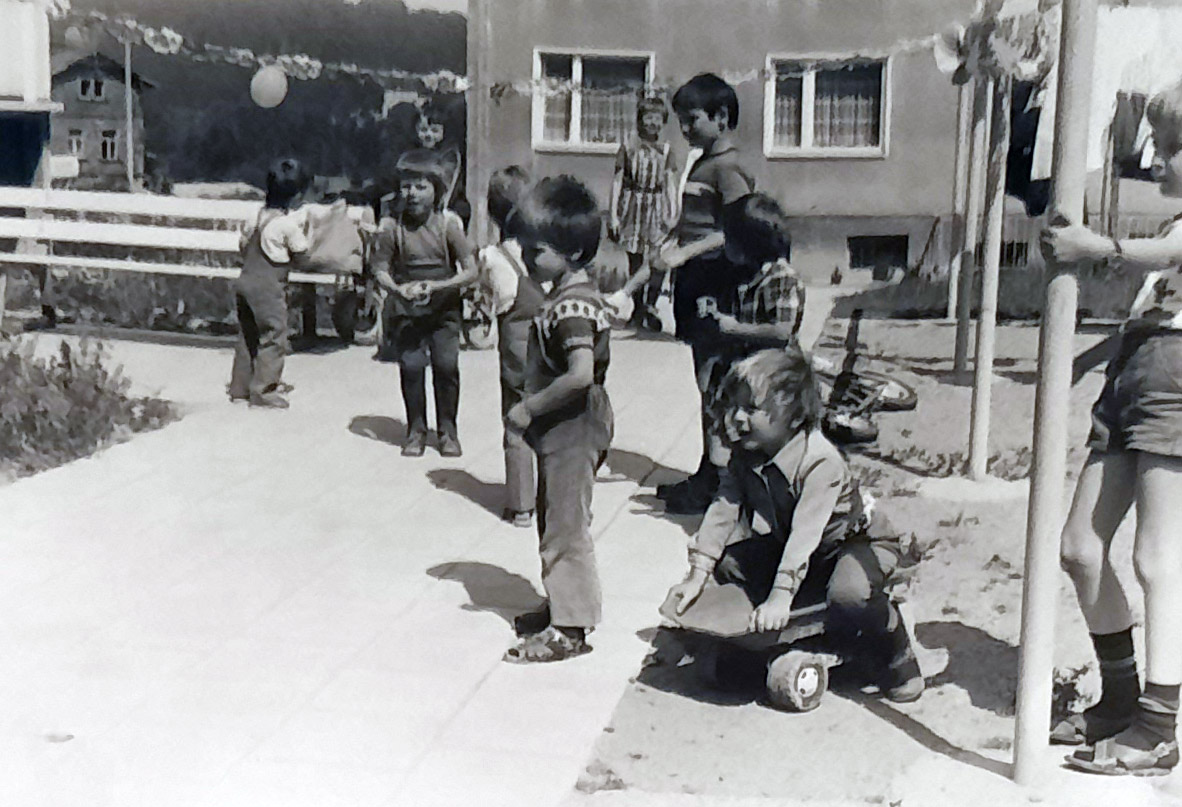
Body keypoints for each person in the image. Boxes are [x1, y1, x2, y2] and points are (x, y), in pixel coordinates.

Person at [1040, 79, 1182, 776]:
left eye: (1175, 147)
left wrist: (1093, 244)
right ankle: (1121, 695)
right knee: (1079, 547)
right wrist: (1084, 357)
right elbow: (1148, 317)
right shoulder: (1170, 227)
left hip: (1174, 386)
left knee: (1157, 556)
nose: (1159, 160)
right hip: (1134, 375)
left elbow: (1171, 257)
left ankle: (1159, 722)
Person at [663, 348, 925, 703]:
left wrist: (779, 597)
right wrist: (698, 574)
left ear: (788, 410)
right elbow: (724, 507)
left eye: (750, 409)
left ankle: (895, 649)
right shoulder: (749, 451)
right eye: (735, 407)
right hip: (802, 547)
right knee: (729, 561)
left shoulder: (820, 461)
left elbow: (806, 533)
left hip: (857, 545)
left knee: (849, 593)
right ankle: (763, 644)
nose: (736, 418)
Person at [502, 175, 613, 663]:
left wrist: (529, 407)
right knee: (554, 518)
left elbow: (580, 375)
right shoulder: (567, 294)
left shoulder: (572, 305)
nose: (527, 259)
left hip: (574, 426)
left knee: (565, 527)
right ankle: (562, 603)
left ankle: (571, 627)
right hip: (562, 427)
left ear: (570, 252)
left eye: (537, 250)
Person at [656, 73, 755, 513]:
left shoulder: (730, 168)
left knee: (714, 381)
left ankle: (719, 481)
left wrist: (687, 252)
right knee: (704, 379)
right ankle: (707, 470)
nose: (685, 129)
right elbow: (697, 222)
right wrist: (673, 243)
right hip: (694, 279)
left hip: (716, 283)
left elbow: (737, 232)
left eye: (692, 119)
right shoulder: (700, 163)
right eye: (681, 120)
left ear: (720, 116)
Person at [372, 149, 478, 457]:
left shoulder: (448, 227)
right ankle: (416, 430)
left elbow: (471, 271)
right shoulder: (393, 228)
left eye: (421, 186)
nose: (413, 193)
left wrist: (439, 285)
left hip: (444, 310)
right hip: (408, 311)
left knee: (446, 366)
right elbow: (379, 269)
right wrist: (397, 290)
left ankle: (448, 431)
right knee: (412, 367)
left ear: (437, 190)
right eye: (407, 186)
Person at [480, 166, 546, 528]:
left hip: (518, 357)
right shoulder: (548, 254)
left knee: (517, 425)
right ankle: (557, 499)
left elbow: (497, 304)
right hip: (553, 350)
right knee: (554, 426)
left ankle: (521, 505)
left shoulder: (494, 258)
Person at [228, 158, 312, 409]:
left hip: (245, 281)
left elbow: (243, 245)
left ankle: (240, 388)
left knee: (248, 334)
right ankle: (264, 389)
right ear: (297, 197)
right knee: (274, 335)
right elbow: (302, 256)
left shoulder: (254, 217)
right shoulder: (287, 225)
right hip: (268, 288)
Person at [608, 95, 678, 330]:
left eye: (658, 119)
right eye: (648, 117)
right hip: (633, 206)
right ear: (639, 120)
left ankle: (651, 303)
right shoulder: (628, 147)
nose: (653, 123)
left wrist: (673, 212)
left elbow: (669, 183)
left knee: (658, 259)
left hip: (656, 207)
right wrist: (613, 215)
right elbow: (618, 181)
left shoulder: (666, 151)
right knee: (636, 259)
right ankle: (638, 309)